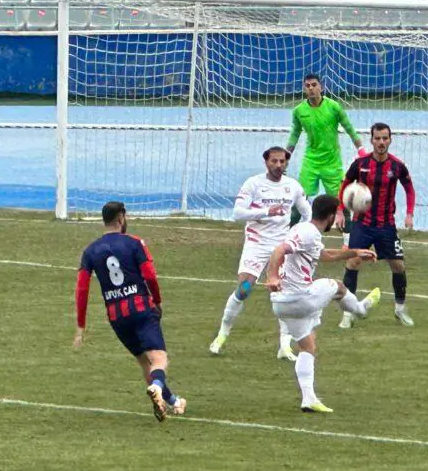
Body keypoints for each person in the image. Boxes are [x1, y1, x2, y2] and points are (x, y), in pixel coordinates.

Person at [265, 195, 382, 413]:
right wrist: (272, 276)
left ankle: (308, 399)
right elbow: (279, 250)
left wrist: (355, 252)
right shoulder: (308, 232)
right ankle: (360, 309)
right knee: (337, 286)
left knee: (307, 346)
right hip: (300, 298)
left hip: (281, 304)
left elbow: (325, 255)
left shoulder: (305, 230)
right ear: (330, 217)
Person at [73, 201, 185, 422]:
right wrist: (157, 301)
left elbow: (82, 288)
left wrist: (81, 325)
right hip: (141, 308)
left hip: (117, 317)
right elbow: (150, 275)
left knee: (144, 361)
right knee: (159, 358)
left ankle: (172, 401)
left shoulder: (90, 251)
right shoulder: (134, 243)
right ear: (121, 218)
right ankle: (156, 387)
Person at [209, 147, 312, 360]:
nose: (278, 165)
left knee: (284, 294)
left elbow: (307, 213)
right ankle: (221, 335)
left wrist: (297, 234)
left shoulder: (293, 186)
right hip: (257, 243)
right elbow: (238, 213)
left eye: (282, 161)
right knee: (244, 289)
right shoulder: (253, 184)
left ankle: (284, 346)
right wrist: (266, 212)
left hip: (280, 245)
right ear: (266, 162)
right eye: (274, 161)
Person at [335, 122, 416, 329]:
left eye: (385, 138)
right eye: (377, 138)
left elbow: (409, 189)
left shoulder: (397, 166)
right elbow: (344, 186)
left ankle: (400, 309)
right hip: (362, 224)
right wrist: (340, 211)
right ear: (371, 140)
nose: (381, 142)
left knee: (398, 266)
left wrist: (409, 214)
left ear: (390, 140)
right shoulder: (360, 164)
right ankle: (348, 313)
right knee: (353, 262)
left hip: (386, 225)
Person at [287, 73, 368, 244]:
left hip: (332, 163)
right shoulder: (299, 111)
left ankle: (349, 242)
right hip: (311, 162)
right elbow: (295, 133)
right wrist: (286, 155)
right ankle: (286, 238)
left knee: (341, 202)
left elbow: (349, 128)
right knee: (299, 199)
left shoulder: (334, 107)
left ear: (321, 87)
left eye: (314, 85)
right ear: (304, 88)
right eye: (307, 85)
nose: (311, 88)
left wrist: (361, 149)